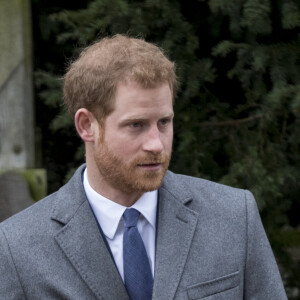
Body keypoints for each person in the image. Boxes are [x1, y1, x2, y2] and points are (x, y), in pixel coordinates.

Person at [0, 34, 287, 300]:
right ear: (87, 125)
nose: (156, 144)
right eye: (136, 125)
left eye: (164, 122)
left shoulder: (234, 216)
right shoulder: (17, 247)